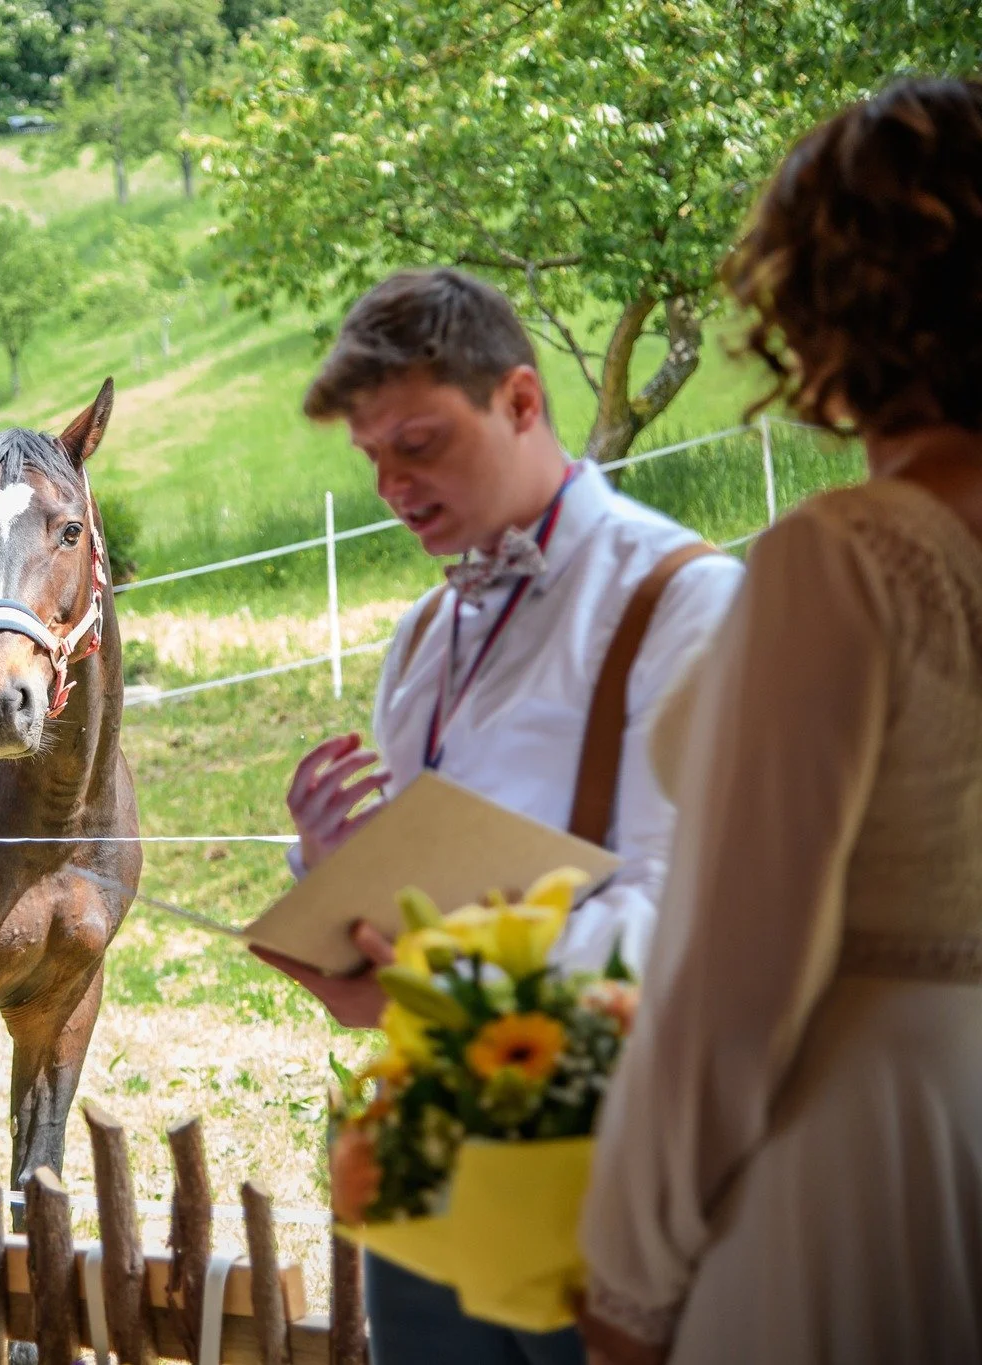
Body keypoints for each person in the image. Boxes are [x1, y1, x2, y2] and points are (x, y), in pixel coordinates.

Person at [254, 267, 743, 1364]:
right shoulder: (423, 635)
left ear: (521, 403)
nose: (389, 484)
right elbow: (431, 865)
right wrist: (332, 874)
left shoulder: (686, 603)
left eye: (417, 444)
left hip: (603, 1147)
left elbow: (694, 918)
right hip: (428, 1148)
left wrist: (438, 965)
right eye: (370, 458)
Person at [578, 78, 982, 1365]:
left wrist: (627, 1280)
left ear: (826, 296)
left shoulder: (849, 559)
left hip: (859, 1153)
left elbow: (735, 977)